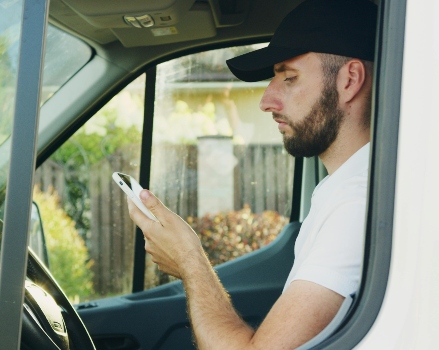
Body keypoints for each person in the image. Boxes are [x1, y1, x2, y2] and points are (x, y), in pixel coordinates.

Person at [127, 0, 377, 348]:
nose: (266, 100)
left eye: (289, 77)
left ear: (349, 80)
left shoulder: (356, 203)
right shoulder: (342, 189)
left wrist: (190, 260)